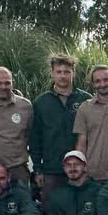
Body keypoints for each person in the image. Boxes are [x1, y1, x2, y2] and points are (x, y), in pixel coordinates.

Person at [29, 54, 91, 203]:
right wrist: (37, 169)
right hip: (52, 170)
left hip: (80, 170)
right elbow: (35, 139)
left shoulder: (85, 100)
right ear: (52, 73)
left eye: (67, 72)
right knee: (50, 214)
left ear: (73, 72)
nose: (63, 76)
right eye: (59, 72)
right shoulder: (41, 102)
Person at [74, 65, 108, 185]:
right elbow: (81, 143)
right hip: (92, 175)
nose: (102, 84)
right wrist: (80, 171)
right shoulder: (85, 108)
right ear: (93, 84)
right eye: (98, 81)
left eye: (106, 79)